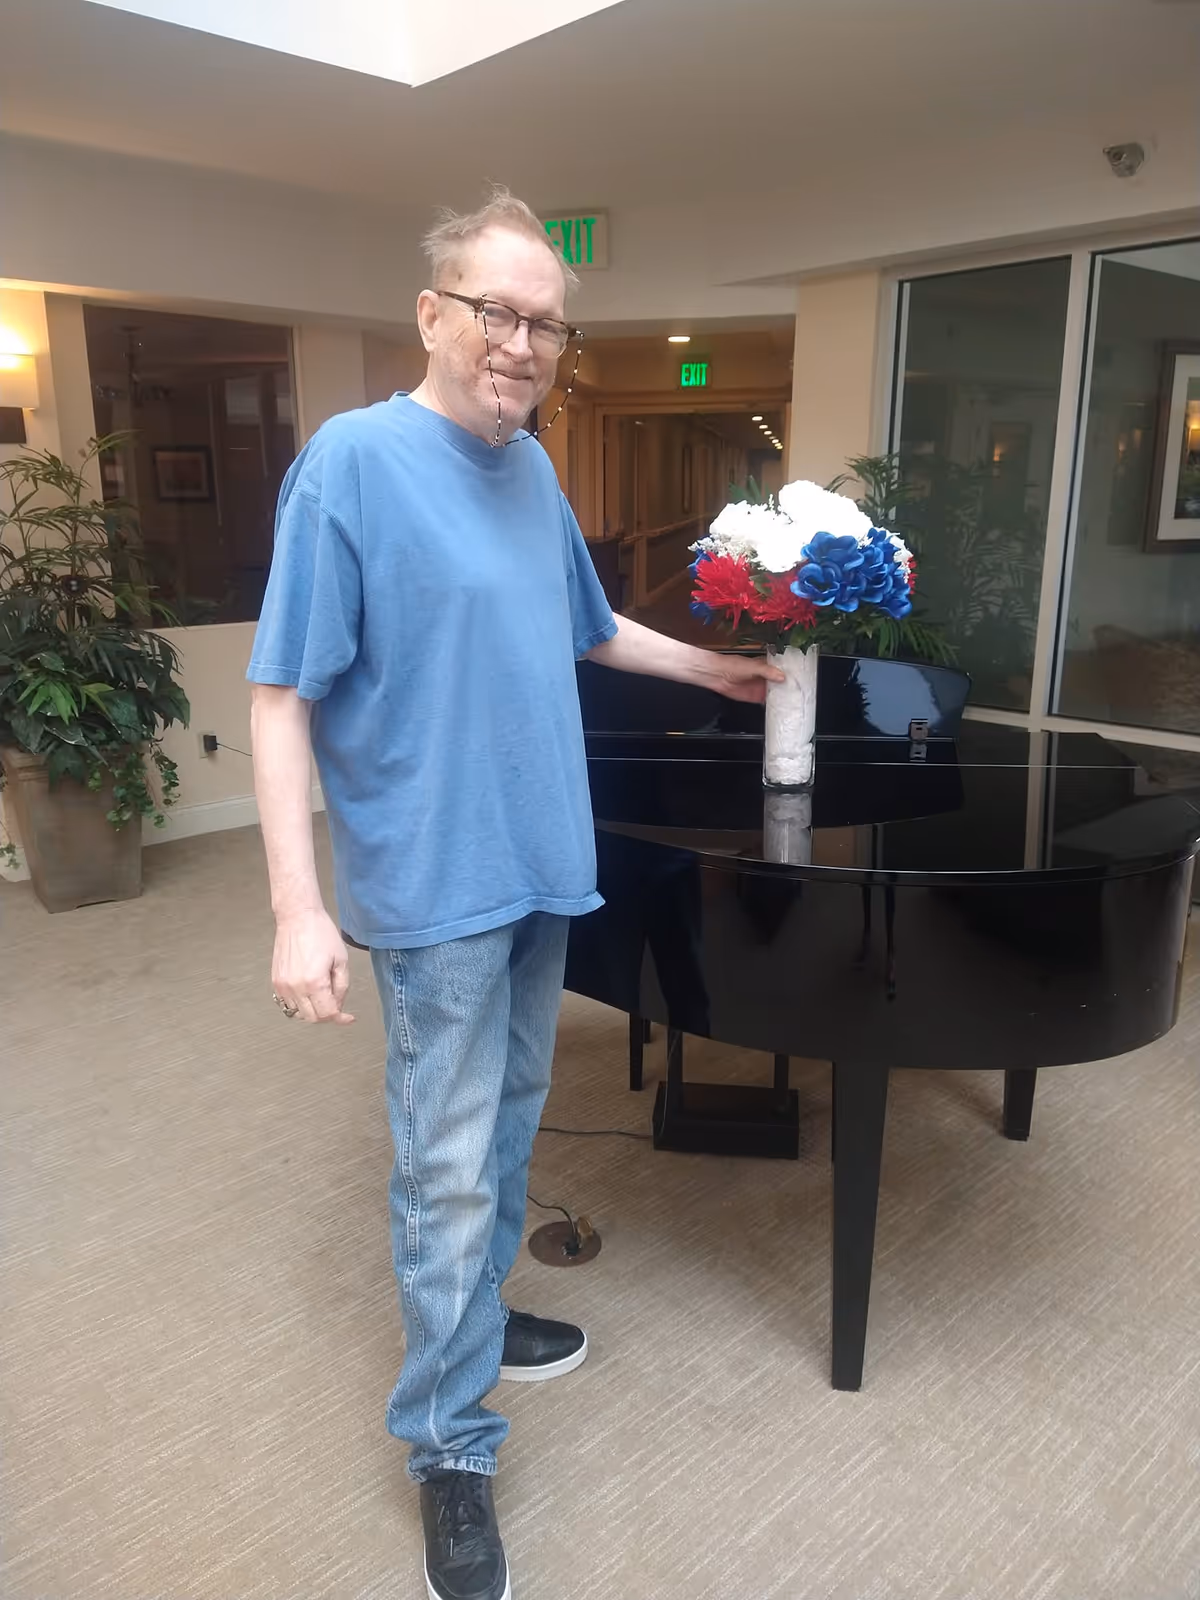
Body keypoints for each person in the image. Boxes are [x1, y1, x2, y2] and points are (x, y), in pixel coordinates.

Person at [247, 186, 779, 1600]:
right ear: (434, 314)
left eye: (547, 324)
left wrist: (714, 669)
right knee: (443, 1158)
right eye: (499, 313)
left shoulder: (532, 470)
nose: (523, 344)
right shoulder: (352, 463)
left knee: (511, 1128)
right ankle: (448, 1440)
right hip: (432, 881)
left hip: (546, 859)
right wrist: (299, 907)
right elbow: (283, 695)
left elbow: (587, 628)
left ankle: (473, 1329)